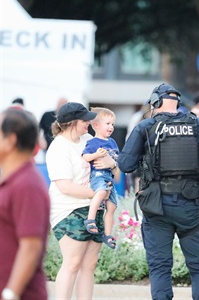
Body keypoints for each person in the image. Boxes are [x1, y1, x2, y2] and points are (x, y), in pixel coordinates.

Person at [118, 83, 199, 300]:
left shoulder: (145, 127)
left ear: (156, 102)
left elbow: (125, 164)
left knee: (160, 268)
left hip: (156, 206)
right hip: (191, 205)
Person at [46, 102, 116, 300]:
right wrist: (97, 194)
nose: (89, 122)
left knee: (89, 265)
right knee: (73, 262)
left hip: (94, 208)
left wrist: (112, 163)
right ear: (72, 122)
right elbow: (65, 187)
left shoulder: (87, 139)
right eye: (85, 120)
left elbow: (109, 166)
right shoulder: (59, 147)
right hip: (69, 210)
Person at [0, 109, 50, 300]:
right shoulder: (12, 180)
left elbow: (31, 246)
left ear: (10, 139)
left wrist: (11, 293)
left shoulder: (27, 184)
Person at [82, 107, 120, 249]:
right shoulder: (93, 143)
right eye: (108, 124)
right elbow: (85, 157)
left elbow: (117, 161)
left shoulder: (113, 143)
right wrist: (96, 155)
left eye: (112, 124)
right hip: (98, 175)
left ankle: (107, 234)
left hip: (109, 177)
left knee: (112, 206)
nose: (111, 127)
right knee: (101, 192)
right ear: (96, 125)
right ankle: (90, 219)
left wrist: (114, 164)